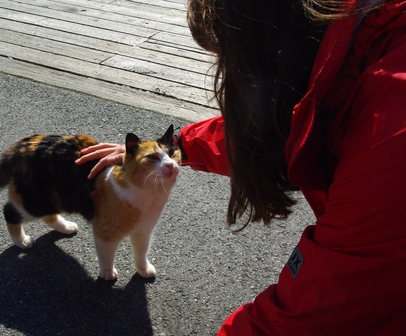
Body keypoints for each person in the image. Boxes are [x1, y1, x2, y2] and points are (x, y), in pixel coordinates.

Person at [76, 0, 406, 333]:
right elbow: (272, 126)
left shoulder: (389, 136)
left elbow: (311, 309)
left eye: (229, 60)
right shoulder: (355, 45)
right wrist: (179, 145)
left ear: (267, 50)